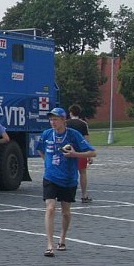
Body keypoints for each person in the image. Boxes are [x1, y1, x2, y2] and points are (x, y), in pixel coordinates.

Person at [37, 107, 97, 257]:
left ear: (64, 120)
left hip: (68, 178)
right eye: (51, 119)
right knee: (50, 208)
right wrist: (47, 163)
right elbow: (40, 149)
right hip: (50, 177)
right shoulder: (46, 134)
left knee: (66, 212)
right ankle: (49, 244)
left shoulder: (73, 135)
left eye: (55, 119)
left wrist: (75, 154)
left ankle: (62, 238)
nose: (53, 122)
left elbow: (92, 152)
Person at [68, 104, 93, 202]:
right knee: (82, 173)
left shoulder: (66, 123)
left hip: (68, 151)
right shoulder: (83, 124)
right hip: (81, 152)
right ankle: (84, 195)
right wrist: (90, 155)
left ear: (70, 113)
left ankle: (67, 195)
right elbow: (87, 140)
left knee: (67, 173)